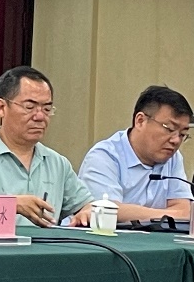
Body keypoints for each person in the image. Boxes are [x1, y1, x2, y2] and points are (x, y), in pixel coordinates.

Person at [0, 65, 94, 228]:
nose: (40, 116)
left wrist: (86, 213)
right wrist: (14, 204)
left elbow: (86, 205)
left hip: (44, 244)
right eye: (29, 107)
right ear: (2, 108)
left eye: (47, 109)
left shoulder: (57, 163)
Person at [78, 86, 192, 222]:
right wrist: (168, 215)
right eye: (170, 129)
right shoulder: (104, 157)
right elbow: (105, 212)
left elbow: (185, 212)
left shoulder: (173, 157)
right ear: (140, 121)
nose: (176, 140)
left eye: (182, 134)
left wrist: (129, 212)